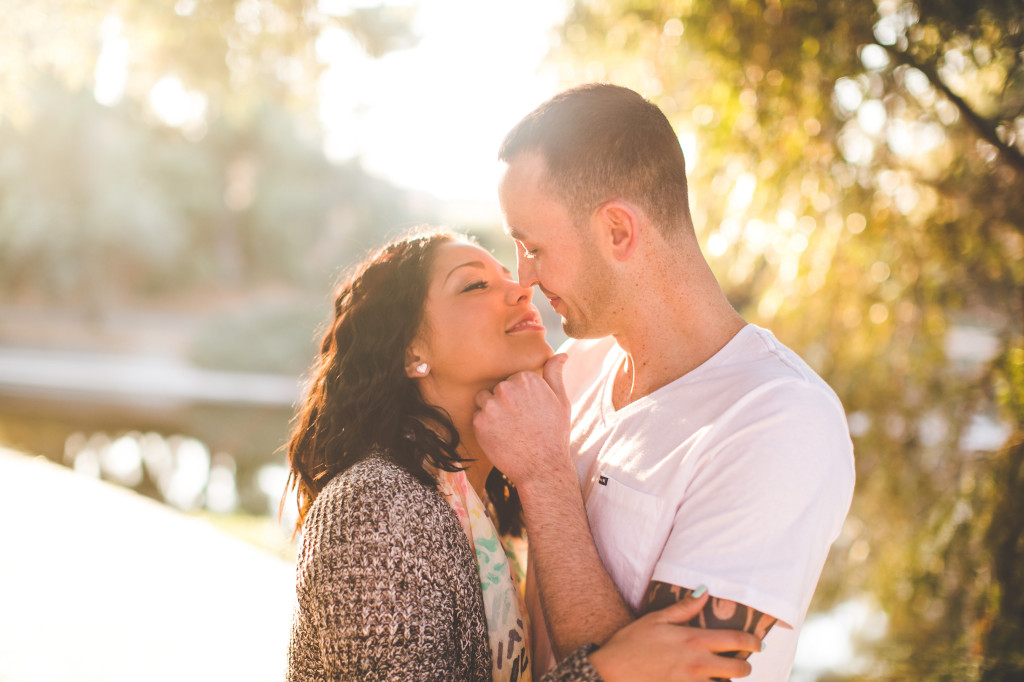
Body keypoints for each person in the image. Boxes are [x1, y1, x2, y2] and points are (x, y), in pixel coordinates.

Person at [473, 84, 856, 682]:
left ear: (618, 232)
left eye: (534, 246)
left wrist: (544, 475)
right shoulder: (578, 366)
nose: (523, 276)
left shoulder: (778, 421)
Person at [281, 227, 763, 682]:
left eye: (509, 279)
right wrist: (610, 669)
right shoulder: (375, 506)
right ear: (411, 352)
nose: (521, 291)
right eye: (474, 286)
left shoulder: (484, 512)